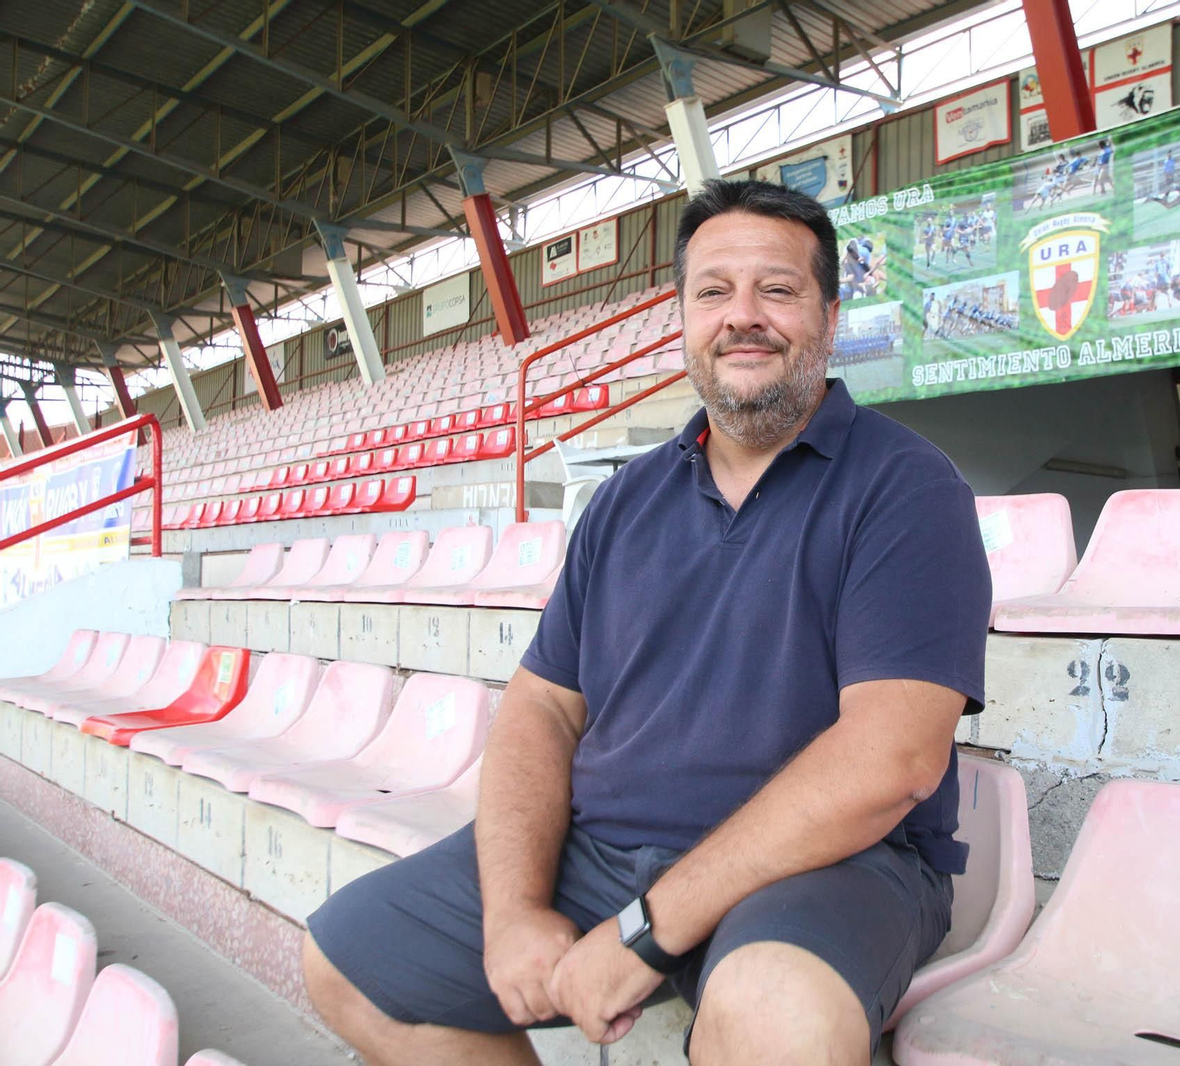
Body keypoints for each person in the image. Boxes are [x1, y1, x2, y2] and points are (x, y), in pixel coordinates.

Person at [300, 179, 991, 1066]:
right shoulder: (625, 502)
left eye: (776, 290)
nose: (742, 316)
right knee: (352, 961)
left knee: (775, 1012)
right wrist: (515, 915)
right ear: (682, 317)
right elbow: (543, 710)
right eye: (712, 292)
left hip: (827, 867)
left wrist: (644, 933)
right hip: (606, 852)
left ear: (827, 310)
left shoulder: (907, 487)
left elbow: (891, 762)